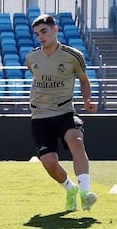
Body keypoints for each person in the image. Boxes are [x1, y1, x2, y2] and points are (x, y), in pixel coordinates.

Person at [26, 14, 98, 211]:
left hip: (65, 111)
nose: (40, 36)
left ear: (55, 30)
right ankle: (71, 189)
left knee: (76, 140)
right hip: (40, 116)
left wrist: (87, 100)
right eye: (37, 34)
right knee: (49, 163)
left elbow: (84, 80)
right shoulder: (32, 57)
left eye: (44, 32)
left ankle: (85, 193)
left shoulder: (73, 56)